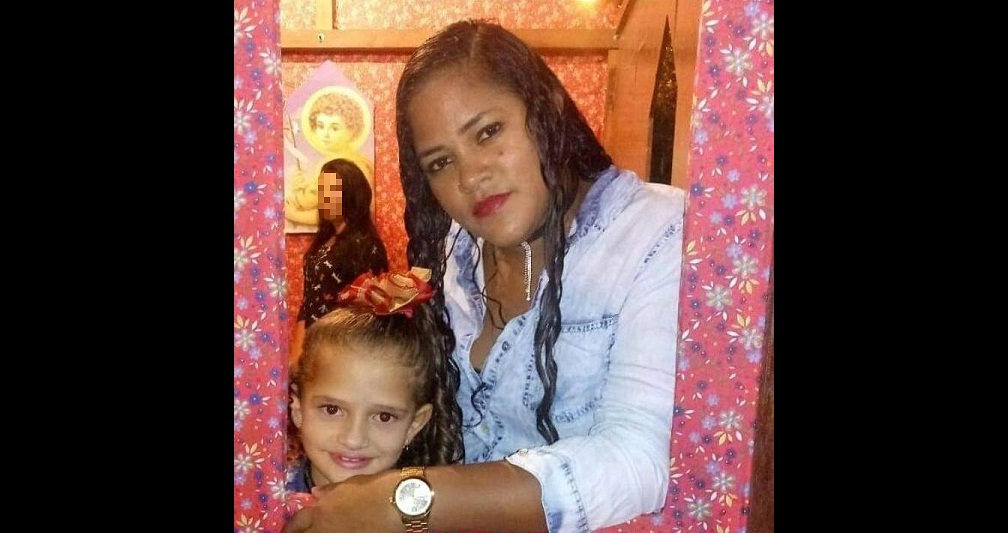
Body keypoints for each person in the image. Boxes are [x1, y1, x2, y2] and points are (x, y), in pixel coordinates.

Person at [284, 18, 685, 533]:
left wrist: (405, 502)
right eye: (440, 162)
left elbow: (638, 462)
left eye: (488, 132)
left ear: (547, 107)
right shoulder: (458, 250)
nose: (471, 177)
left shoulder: (655, 233)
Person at [286, 267, 464, 497]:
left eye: (384, 417)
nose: (353, 439)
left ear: (415, 424)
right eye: (332, 409)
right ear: (298, 409)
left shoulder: (430, 512)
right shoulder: (261, 504)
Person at [289, 158, 390, 366]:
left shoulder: (366, 245)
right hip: (313, 346)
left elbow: (368, 313)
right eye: (321, 190)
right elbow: (308, 302)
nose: (323, 197)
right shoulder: (323, 242)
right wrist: (296, 354)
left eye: (332, 190)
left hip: (343, 351)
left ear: (351, 194)